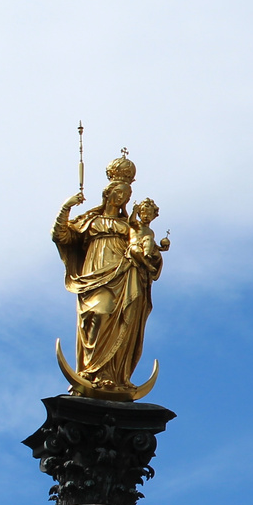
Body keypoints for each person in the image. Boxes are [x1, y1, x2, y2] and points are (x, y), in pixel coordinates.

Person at [52, 155, 165, 397]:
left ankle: (114, 377)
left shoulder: (130, 226)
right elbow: (61, 236)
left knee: (124, 317)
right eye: (118, 193)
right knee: (98, 313)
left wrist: (153, 255)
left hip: (124, 276)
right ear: (108, 194)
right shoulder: (90, 221)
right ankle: (90, 371)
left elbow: (146, 249)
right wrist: (67, 207)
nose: (121, 198)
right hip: (95, 275)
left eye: (125, 195)